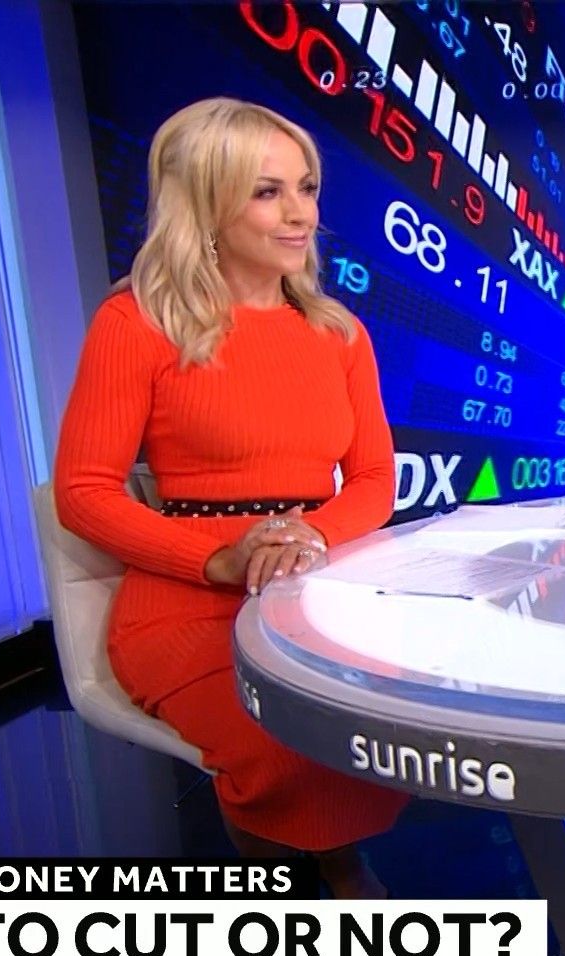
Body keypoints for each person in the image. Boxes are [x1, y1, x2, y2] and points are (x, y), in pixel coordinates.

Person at [54, 98, 407, 898]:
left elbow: (375, 482)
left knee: (385, 725)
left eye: (306, 188)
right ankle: (309, 902)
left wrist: (310, 538)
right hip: (185, 604)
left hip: (312, 590)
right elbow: (83, 493)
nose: (301, 214)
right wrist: (219, 559)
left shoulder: (340, 335)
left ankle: (337, 883)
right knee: (285, 745)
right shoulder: (137, 323)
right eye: (267, 192)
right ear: (207, 206)